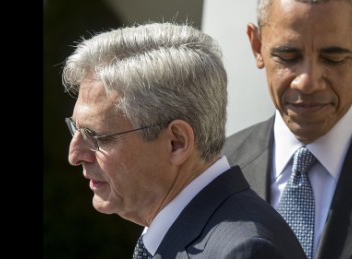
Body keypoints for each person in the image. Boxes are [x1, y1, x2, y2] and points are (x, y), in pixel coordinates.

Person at [61, 22, 306, 259]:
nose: (74, 154)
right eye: (76, 128)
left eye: (97, 137)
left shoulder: (243, 251)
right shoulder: (172, 232)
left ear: (176, 143)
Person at [222, 0, 352, 258]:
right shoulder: (215, 169)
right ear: (256, 46)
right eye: (287, 56)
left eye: (334, 58)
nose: (307, 82)